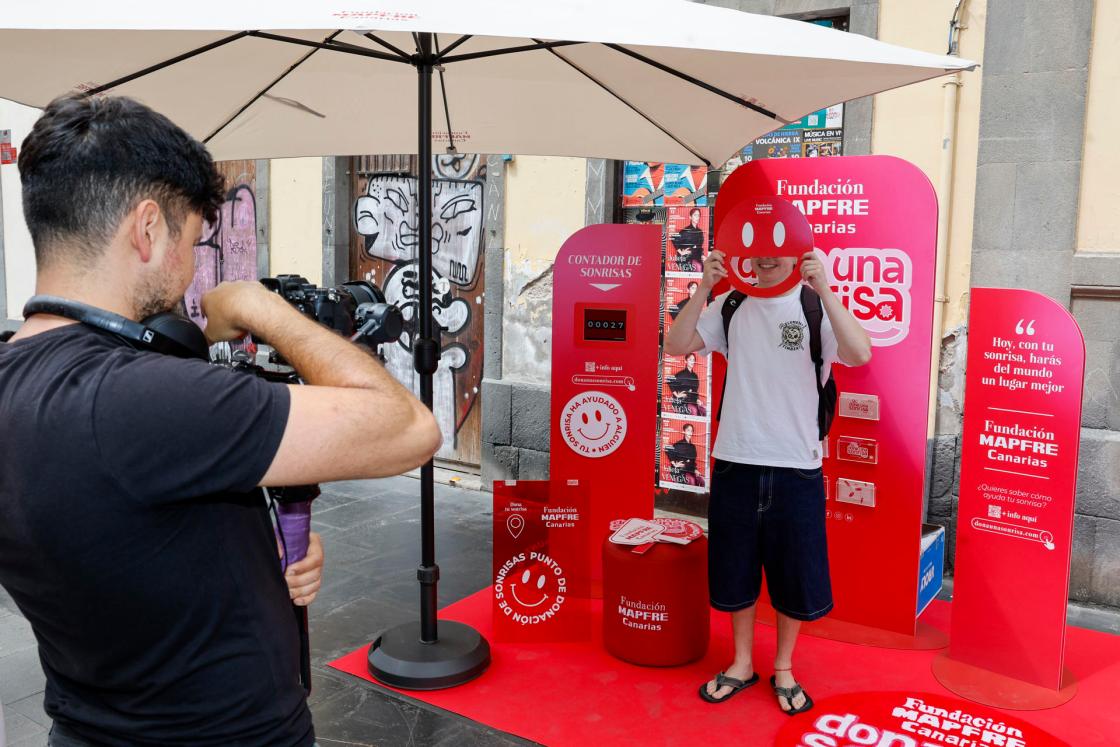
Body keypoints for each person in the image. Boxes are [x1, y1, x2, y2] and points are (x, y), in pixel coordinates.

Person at [0, 95, 442, 746]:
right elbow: (410, 427)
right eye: (191, 238)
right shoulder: (141, 398)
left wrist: (257, 557)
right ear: (148, 230)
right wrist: (260, 307)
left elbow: (122, 535)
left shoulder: (19, 380)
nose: (190, 270)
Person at [664, 248, 871, 715]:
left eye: (778, 251)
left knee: (794, 572)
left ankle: (783, 666)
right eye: (757, 251)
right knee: (737, 568)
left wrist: (826, 290)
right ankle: (740, 664)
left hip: (797, 464)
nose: (766, 259)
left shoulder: (812, 305)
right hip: (736, 459)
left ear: (797, 254)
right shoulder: (732, 304)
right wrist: (703, 290)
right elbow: (676, 345)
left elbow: (860, 352)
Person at [666, 351, 705, 416]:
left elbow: (695, 391)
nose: (692, 361)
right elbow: (669, 380)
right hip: (682, 402)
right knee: (694, 411)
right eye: (690, 360)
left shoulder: (695, 376)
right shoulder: (681, 374)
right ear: (686, 361)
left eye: (693, 360)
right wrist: (677, 395)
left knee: (703, 410)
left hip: (692, 400)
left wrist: (698, 400)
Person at [665, 422, 704, 487]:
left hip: (690, 469)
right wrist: (674, 464)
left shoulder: (693, 447)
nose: (690, 432)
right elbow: (667, 448)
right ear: (684, 432)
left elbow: (692, 462)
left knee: (702, 480)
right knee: (691, 481)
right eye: (688, 430)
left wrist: (696, 470)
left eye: (691, 431)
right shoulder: (679, 444)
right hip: (680, 471)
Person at [670, 208, 705, 272]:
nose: (697, 217)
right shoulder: (686, 231)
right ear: (690, 217)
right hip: (686, 259)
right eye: (695, 215)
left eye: (698, 215)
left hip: (696, 257)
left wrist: (702, 255)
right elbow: (673, 238)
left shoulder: (700, 231)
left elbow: (699, 246)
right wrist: (681, 252)